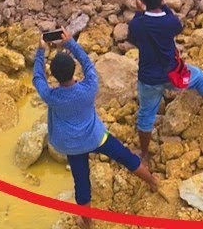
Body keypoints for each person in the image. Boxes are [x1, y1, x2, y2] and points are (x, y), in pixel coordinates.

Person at [33, 30, 159, 227]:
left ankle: (88, 222)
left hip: (72, 146)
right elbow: (88, 65)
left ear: (55, 76)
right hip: (95, 137)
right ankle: (152, 182)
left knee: (81, 183)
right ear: (73, 70)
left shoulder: (51, 97)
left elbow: (38, 78)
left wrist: (40, 52)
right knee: (125, 157)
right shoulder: (89, 87)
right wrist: (71, 44)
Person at [127, 0, 203, 166]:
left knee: (146, 115)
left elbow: (132, 39)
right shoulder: (170, 21)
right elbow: (177, 27)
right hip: (173, 74)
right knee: (201, 79)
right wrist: (164, 7)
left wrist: (139, 13)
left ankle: (144, 155)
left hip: (149, 79)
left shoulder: (137, 24)